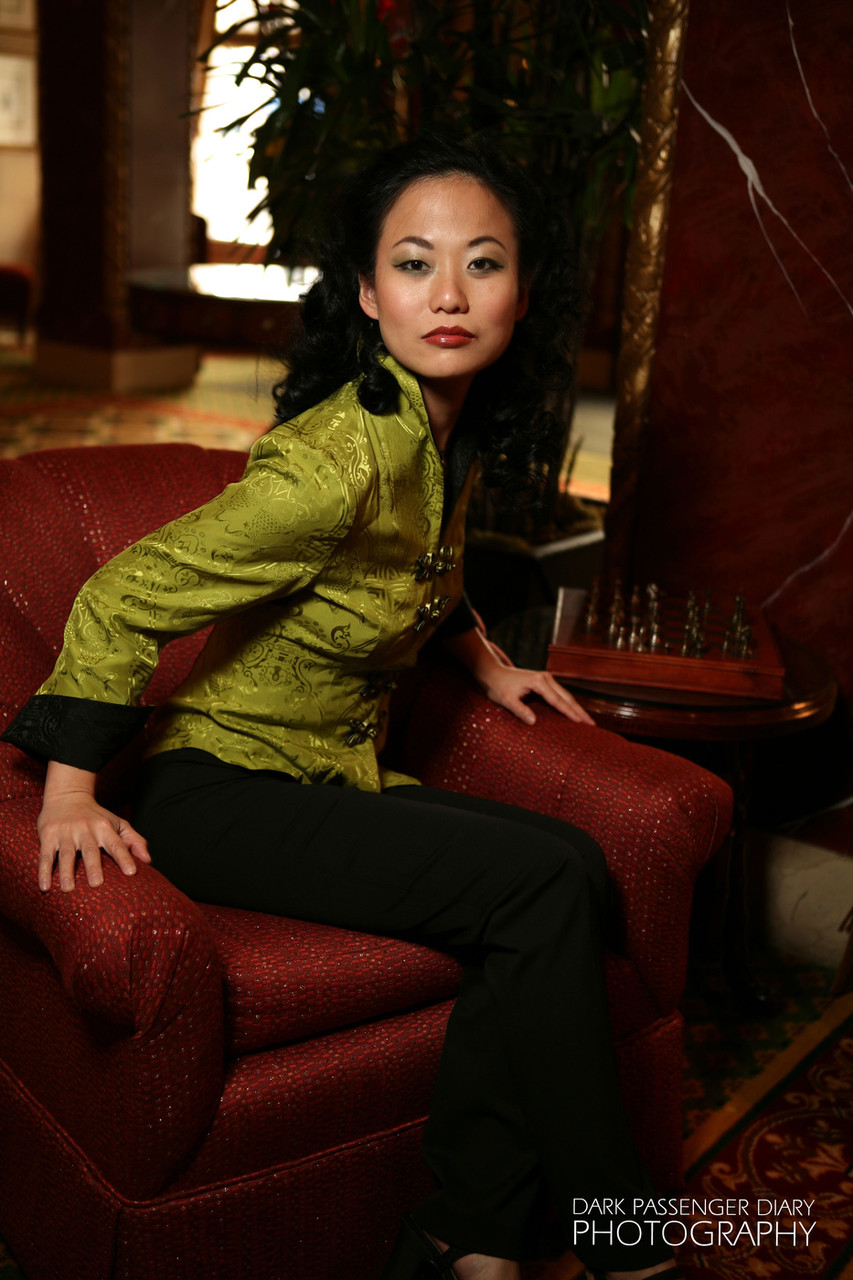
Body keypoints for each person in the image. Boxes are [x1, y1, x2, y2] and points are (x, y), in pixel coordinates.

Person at [3, 136, 680, 1280]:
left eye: (482, 262)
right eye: (414, 263)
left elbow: (417, 569)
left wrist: (483, 662)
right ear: (368, 293)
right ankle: (627, 1241)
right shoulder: (333, 461)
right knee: (539, 881)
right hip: (215, 788)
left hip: (321, 770)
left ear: (523, 290)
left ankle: (468, 1233)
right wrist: (67, 792)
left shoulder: (442, 428)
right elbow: (124, 590)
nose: (449, 293)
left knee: (572, 868)